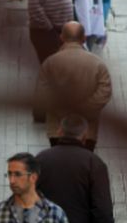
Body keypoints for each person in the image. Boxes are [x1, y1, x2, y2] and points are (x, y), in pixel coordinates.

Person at [36, 115, 114, 223]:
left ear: (60, 131)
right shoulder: (94, 164)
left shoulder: (41, 159)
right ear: (85, 135)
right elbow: (103, 212)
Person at [36, 22, 112, 151]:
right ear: (84, 38)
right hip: (87, 130)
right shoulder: (98, 64)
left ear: (61, 37)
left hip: (57, 128)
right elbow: (105, 92)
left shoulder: (50, 62)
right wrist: (84, 110)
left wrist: (62, 111)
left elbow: (42, 93)